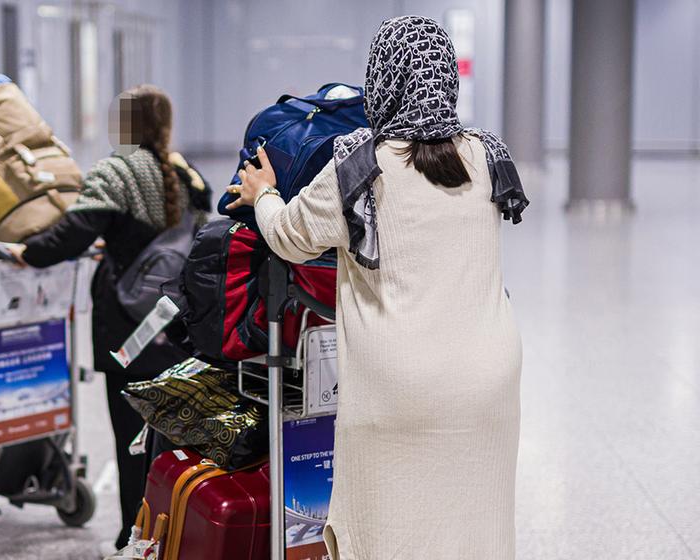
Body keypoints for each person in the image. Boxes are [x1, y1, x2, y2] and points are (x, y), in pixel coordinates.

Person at [227, 16, 529, 559]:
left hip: (400, 386)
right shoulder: (487, 156)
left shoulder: (362, 163)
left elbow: (292, 238)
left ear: (382, 78)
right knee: (475, 529)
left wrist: (263, 193)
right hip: (489, 381)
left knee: (386, 529)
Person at [10, 85, 210, 548]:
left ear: (125, 124)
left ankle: (134, 536)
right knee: (175, 439)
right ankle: (176, 532)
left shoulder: (115, 171)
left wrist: (28, 253)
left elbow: (72, 235)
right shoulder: (188, 173)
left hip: (128, 330)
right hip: (177, 325)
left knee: (130, 440)